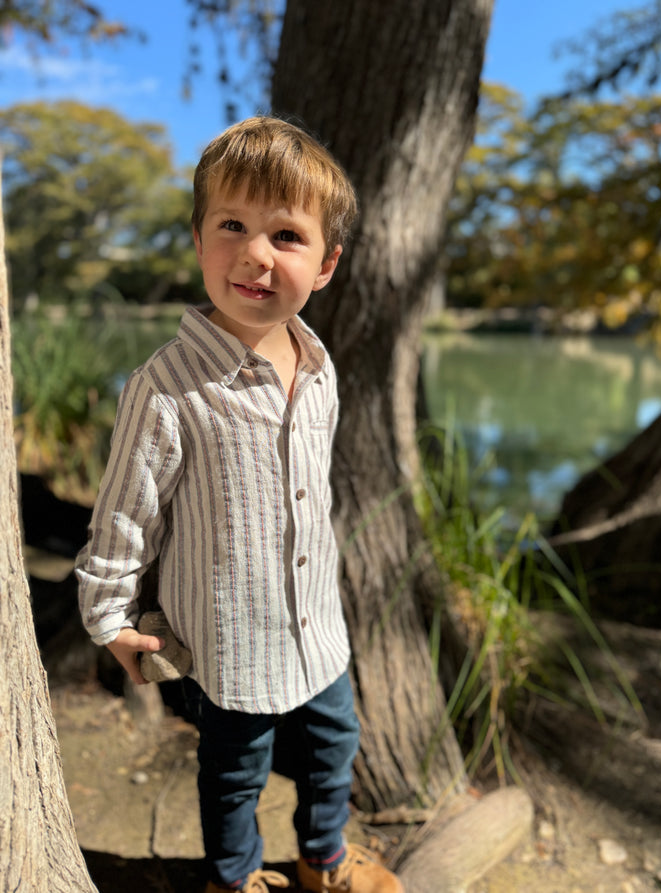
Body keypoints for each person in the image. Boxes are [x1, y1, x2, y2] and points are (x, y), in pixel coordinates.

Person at [76, 116, 404, 893]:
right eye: (232, 225)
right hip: (229, 644)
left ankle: (323, 858)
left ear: (325, 265)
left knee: (335, 748)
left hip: (318, 626)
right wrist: (110, 619)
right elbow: (127, 512)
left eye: (285, 235)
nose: (255, 253)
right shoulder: (168, 386)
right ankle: (234, 877)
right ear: (198, 240)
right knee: (233, 773)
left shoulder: (320, 369)